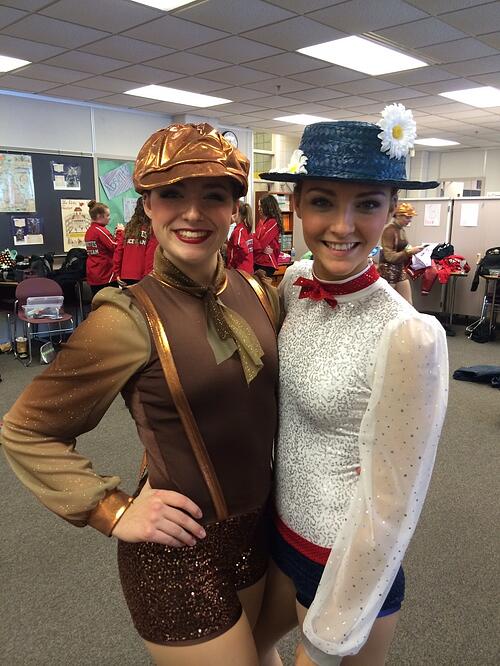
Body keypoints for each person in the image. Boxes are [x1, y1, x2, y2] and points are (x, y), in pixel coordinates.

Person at [1, 122, 279, 666]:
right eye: (172, 194)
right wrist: (111, 508)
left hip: (257, 535)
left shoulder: (259, 295)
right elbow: (25, 428)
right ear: (147, 206)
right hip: (174, 556)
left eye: (213, 197)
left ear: (233, 210)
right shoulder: (126, 316)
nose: (193, 213)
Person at [253, 105, 449, 666]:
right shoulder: (293, 283)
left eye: (366, 204)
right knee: (251, 649)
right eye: (322, 202)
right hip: (281, 533)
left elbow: (396, 500)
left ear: (390, 211)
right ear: (295, 205)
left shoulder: (408, 335)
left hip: (347, 560)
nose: (342, 226)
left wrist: (334, 624)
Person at [378, 202, 423, 304]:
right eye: (407, 217)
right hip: (388, 270)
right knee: (386, 304)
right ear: (398, 215)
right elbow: (389, 256)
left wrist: (413, 250)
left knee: (408, 303)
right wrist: (409, 252)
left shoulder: (401, 230)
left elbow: (405, 248)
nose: (410, 220)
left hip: (399, 268)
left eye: (411, 217)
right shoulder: (389, 230)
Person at [113, 196, 158, 285]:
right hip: (143, 276)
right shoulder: (151, 228)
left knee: (129, 299)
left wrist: (117, 273)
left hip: (125, 275)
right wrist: (148, 277)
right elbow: (150, 255)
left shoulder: (129, 227)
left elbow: (118, 251)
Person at [84, 200, 123, 295]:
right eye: (107, 215)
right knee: (111, 304)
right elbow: (115, 246)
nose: (109, 218)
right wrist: (120, 232)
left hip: (95, 273)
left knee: (98, 302)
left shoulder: (90, 231)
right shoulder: (99, 230)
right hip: (105, 274)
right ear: (99, 216)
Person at [253, 194, 283, 277]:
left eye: (260, 206)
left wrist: (259, 247)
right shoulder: (261, 222)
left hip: (267, 263)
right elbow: (255, 240)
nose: (259, 209)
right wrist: (260, 248)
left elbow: (262, 243)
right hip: (257, 259)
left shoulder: (273, 222)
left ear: (267, 207)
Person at [226, 202, 254, 273]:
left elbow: (244, 250)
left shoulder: (238, 231)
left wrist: (232, 264)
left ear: (237, 213)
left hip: (240, 270)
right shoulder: (246, 228)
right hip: (248, 268)